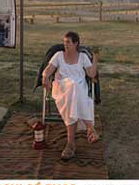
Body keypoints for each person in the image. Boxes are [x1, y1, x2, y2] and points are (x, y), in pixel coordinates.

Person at [42, 31, 99, 160]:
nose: (65, 45)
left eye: (68, 42)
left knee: (74, 89)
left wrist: (95, 60)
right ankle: (90, 127)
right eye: (64, 42)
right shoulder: (58, 55)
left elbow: (91, 74)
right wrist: (45, 76)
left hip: (79, 87)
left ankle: (71, 144)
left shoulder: (83, 57)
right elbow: (49, 69)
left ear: (76, 43)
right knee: (72, 87)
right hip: (61, 86)